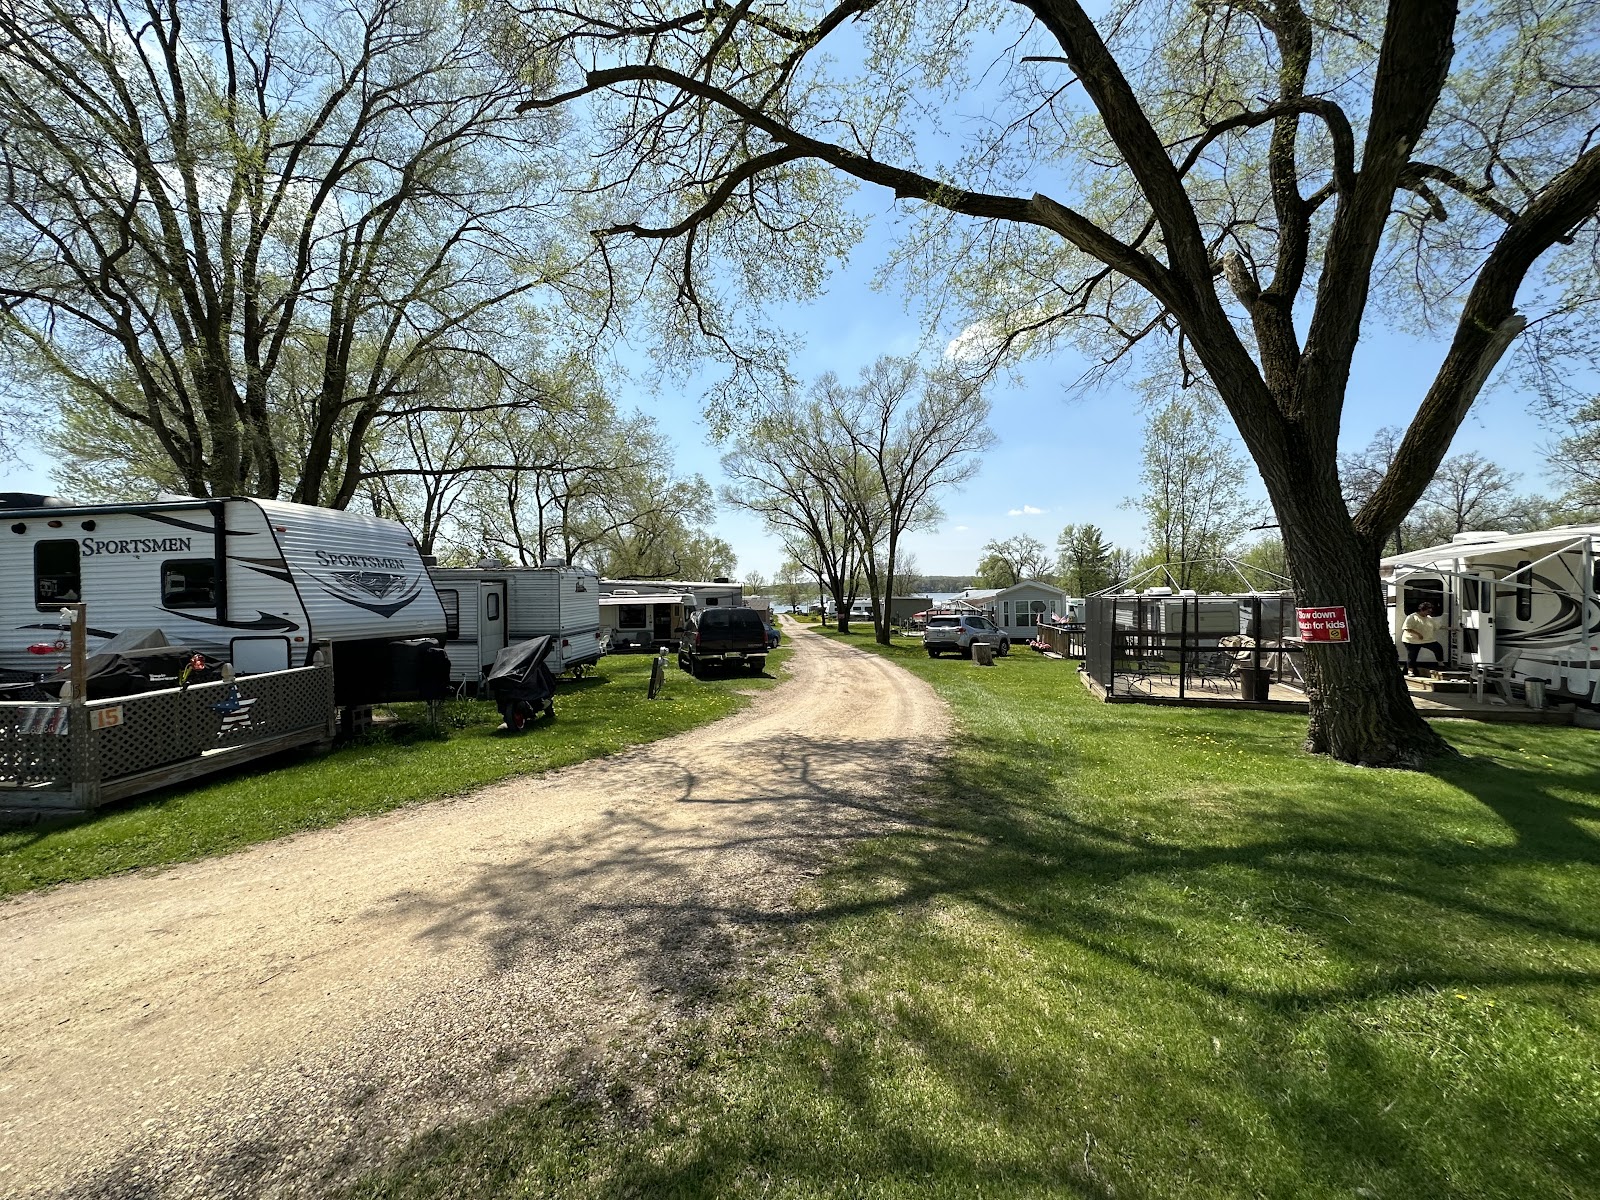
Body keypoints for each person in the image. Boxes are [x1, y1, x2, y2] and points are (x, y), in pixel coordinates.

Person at [1401, 601, 1446, 676]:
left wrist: (1450, 628)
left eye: (1430, 611)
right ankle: (1410, 671)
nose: (1429, 613)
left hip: (1427, 639)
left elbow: (1438, 626)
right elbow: (1407, 628)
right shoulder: (1412, 617)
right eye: (1427, 611)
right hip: (1411, 640)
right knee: (1412, 655)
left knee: (1438, 648)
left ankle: (1441, 664)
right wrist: (1418, 634)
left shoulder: (1428, 618)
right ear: (1422, 610)